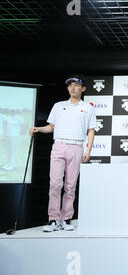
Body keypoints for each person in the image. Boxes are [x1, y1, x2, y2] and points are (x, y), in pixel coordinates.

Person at [29, 75, 96, 232]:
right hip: (59, 145)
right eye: (70, 85)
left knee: (70, 186)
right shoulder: (58, 106)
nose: (72, 88)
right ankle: (53, 219)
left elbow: (91, 130)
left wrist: (88, 149)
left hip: (76, 147)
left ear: (83, 88)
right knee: (55, 184)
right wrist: (38, 129)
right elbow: (51, 126)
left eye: (76, 85)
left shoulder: (88, 108)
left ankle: (66, 219)